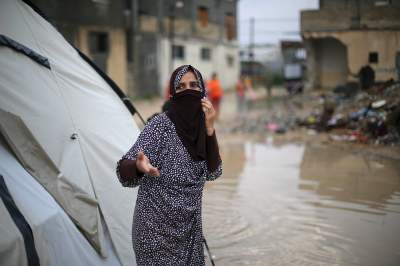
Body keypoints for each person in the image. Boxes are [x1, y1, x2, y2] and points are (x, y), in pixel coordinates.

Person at [116, 65, 222, 265]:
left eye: (193, 85)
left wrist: (210, 129)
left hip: (190, 234)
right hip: (154, 234)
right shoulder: (160, 126)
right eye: (181, 87)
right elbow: (122, 173)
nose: (188, 90)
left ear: (203, 92)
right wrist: (139, 168)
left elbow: (214, 172)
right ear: (173, 93)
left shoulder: (203, 130)